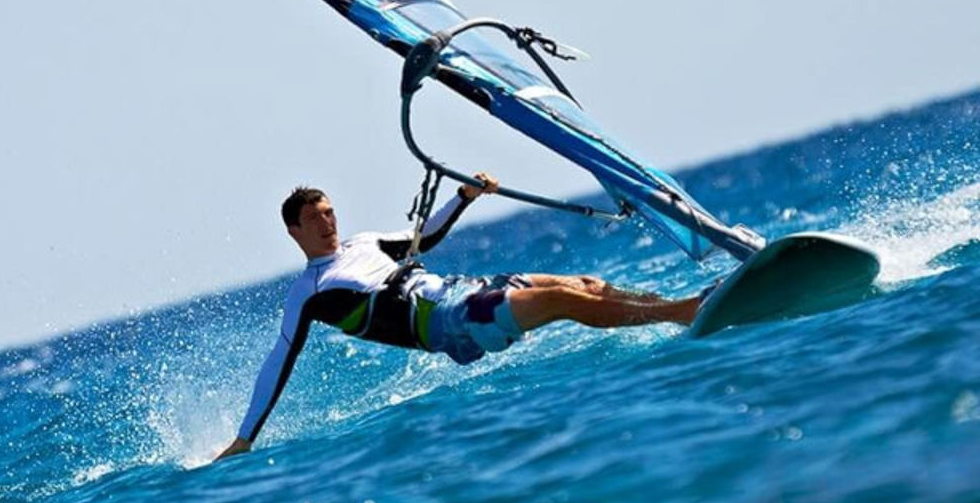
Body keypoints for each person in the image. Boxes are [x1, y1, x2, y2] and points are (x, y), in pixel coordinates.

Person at [214, 174, 700, 461]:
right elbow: (279, 361)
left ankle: (677, 306)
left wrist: (463, 196)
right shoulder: (309, 293)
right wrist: (244, 438)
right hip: (449, 322)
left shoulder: (364, 243)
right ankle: (684, 313)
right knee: (562, 303)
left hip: (463, 290)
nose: (327, 222)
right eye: (315, 218)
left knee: (581, 285)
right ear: (294, 230)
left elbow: (426, 235)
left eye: (329, 212)